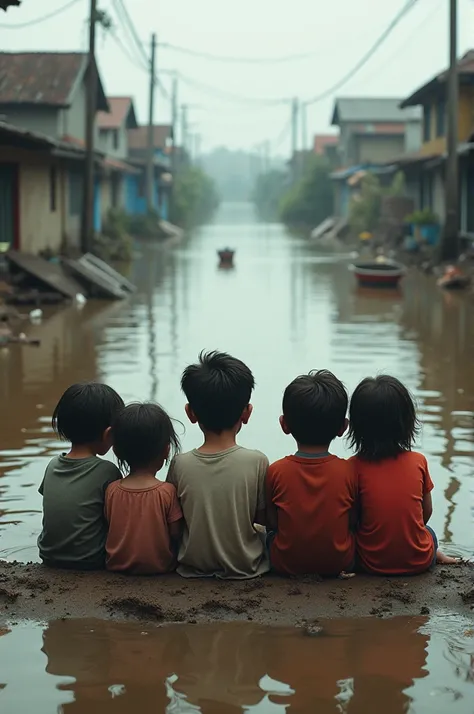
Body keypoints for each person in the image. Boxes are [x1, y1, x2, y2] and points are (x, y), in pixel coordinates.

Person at [167, 350, 269, 579]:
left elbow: (175, 518)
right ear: (247, 412)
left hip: (191, 567)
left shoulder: (179, 464)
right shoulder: (257, 461)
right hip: (245, 566)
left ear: (190, 413)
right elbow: (262, 518)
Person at [349, 375, 458, 575]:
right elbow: (425, 513)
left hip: (369, 564)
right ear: (407, 423)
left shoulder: (352, 468)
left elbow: (351, 519)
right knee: (428, 532)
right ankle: (436, 554)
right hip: (419, 561)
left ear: (356, 426)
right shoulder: (418, 461)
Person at [266, 370, 357, 577]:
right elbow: (353, 520)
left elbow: (272, 522)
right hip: (342, 561)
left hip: (284, 563)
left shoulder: (276, 471)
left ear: (284, 424)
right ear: (343, 427)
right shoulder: (349, 471)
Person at [38, 382, 124, 570]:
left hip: (49, 557)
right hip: (90, 561)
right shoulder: (107, 472)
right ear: (108, 433)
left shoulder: (52, 465)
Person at [105, 402, 183, 575]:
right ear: (166, 450)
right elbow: (176, 533)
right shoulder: (167, 492)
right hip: (161, 568)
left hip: (116, 567)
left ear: (117, 451)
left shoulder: (112, 490)